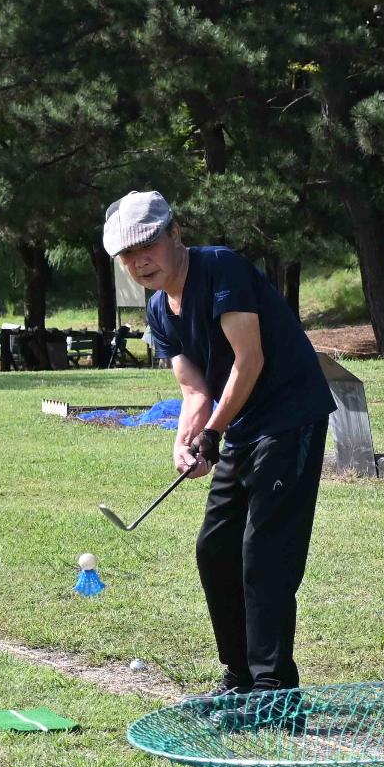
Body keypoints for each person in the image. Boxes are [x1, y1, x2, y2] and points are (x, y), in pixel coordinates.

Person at [104, 190, 335, 700]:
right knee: (215, 549)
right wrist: (187, 442)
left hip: (288, 417)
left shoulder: (221, 269)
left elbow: (247, 360)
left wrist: (213, 432)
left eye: (148, 244)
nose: (139, 260)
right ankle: (239, 679)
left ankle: (274, 692)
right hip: (243, 425)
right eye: (127, 253)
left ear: (175, 235)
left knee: (265, 552)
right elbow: (194, 390)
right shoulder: (160, 310)